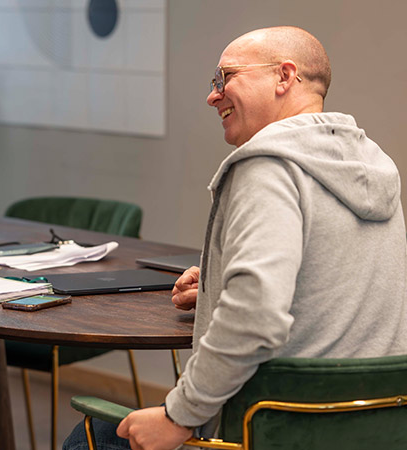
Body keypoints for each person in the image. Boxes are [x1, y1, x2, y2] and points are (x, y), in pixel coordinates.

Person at [64, 25, 407, 450]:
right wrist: (222, 286)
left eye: (225, 78)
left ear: (284, 76)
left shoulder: (267, 167)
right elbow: (335, 288)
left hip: (274, 428)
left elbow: (255, 317)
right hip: (375, 428)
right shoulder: (371, 165)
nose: (213, 96)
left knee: (90, 439)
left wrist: (178, 415)